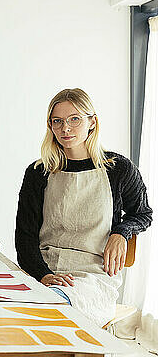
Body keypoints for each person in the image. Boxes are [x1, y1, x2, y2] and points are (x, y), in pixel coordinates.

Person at [15, 88, 152, 327]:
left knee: (54, 312)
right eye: (57, 121)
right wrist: (44, 275)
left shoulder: (118, 169)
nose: (65, 128)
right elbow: (25, 236)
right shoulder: (39, 172)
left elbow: (142, 213)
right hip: (44, 269)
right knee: (18, 307)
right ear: (50, 126)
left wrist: (121, 232)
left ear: (92, 122)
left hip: (93, 275)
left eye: (74, 119)